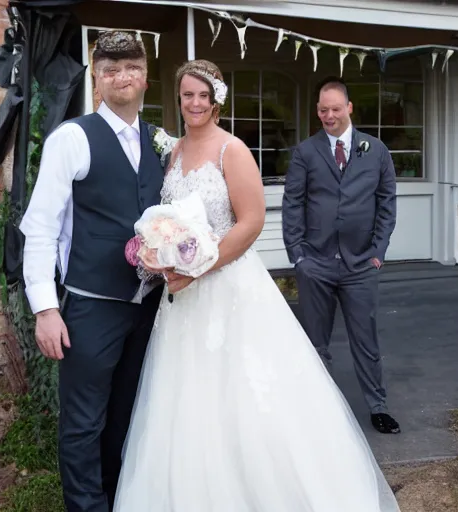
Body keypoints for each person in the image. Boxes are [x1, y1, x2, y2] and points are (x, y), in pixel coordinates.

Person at [113, 60, 400, 511]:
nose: (194, 103)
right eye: (187, 95)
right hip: (182, 302)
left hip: (227, 289)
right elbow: (170, 220)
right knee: (184, 400)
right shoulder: (173, 153)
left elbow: (251, 223)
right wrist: (161, 253)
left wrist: (200, 268)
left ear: (217, 100)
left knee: (246, 394)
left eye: (203, 95)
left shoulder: (233, 150)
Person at [19, 31, 165, 511]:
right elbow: (40, 227)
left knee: (124, 416)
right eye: (110, 69)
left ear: (145, 76)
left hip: (146, 309)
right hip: (90, 308)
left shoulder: (157, 140)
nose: (122, 76)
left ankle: (115, 498)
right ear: (97, 79)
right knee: (83, 422)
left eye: (131, 67)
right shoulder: (72, 138)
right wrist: (45, 308)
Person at [282, 76, 400, 435]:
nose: (328, 115)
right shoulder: (305, 152)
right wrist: (298, 255)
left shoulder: (376, 150)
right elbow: (293, 204)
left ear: (349, 108)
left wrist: (377, 252)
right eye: (322, 110)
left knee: (365, 340)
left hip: (360, 264)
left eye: (335, 109)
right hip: (314, 263)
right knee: (316, 343)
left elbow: (387, 204)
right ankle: (321, 410)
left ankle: (377, 406)